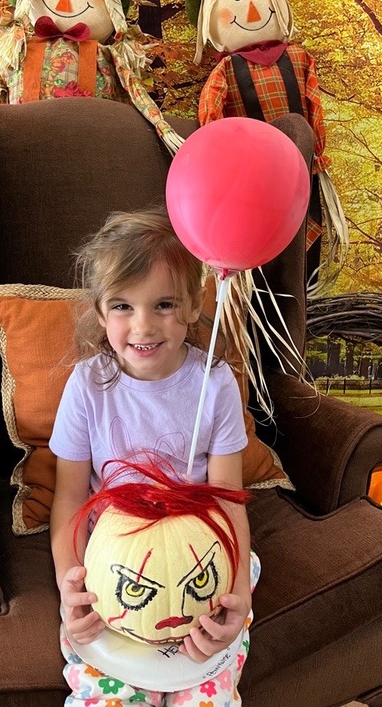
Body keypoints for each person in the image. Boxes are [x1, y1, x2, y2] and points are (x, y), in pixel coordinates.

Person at [49, 208, 259, 706]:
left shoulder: (215, 384)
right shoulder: (86, 387)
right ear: (101, 312)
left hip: (200, 561)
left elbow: (228, 499)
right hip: (115, 565)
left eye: (164, 304)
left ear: (194, 304)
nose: (143, 326)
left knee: (207, 693)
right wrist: (69, 583)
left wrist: (236, 595)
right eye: (123, 305)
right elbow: (70, 500)